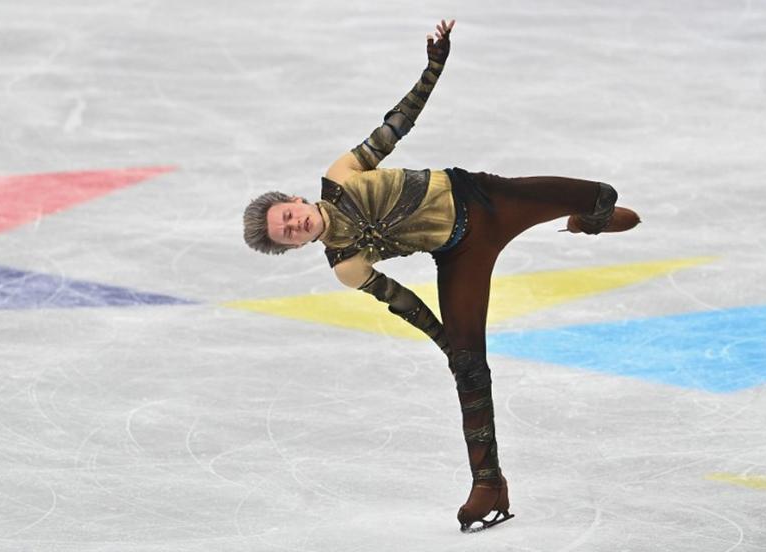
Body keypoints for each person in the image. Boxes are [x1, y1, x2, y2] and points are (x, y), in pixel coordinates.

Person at [242, 19, 640, 533]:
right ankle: (488, 484)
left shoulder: (340, 176)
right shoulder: (346, 265)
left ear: (295, 200)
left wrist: (434, 66)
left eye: (287, 216)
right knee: (468, 367)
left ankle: (588, 221)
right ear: (293, 246)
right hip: (459, 255)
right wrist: (447, 344)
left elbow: (396, 125)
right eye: (287, 235)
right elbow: (403, 302)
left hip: (485, 198)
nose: (294, 225)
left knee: (602, 195)